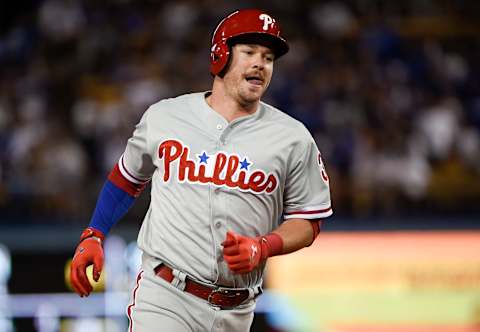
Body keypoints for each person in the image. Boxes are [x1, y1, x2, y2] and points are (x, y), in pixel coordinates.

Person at [69, 8, 333, 332]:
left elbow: (308, 221)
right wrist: (94, 233)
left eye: (268, 57)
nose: (260, 64)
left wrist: (264, 247)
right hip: (166, 296)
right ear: (221, 55)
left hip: (238, 308)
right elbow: (126, 178)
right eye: (249, 52)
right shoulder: (166, 117)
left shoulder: (292, 137)